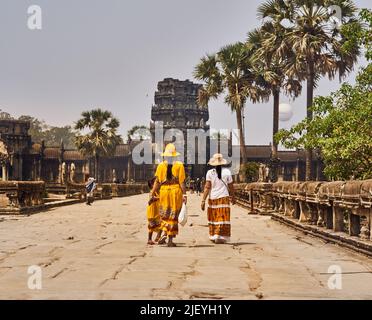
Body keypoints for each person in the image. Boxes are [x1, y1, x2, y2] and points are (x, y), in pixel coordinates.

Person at [149, 143, 187, 247]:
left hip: (164, 192)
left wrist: (152, 194)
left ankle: (164, 234)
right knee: (173, 216)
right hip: (175, 192)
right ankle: (170, 239)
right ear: (175, 155)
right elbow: (182, 182)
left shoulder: (161, 165)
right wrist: (185, 195)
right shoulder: (179, 165)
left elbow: (157, 181)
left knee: (164, 214)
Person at [201, 153, 235, 244]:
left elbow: (207, 187)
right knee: (223, 217)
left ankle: (214, 235)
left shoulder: (210, 173)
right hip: (224, 197)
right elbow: (231, 186)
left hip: (213, 198)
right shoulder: (227, 172)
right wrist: (233, 197)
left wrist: (203, 200)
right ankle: (220, 236)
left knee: (214, 217)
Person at [146, 177, 163, 245]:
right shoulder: (152, 192)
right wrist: (158, 198)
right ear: (153, 185)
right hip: (152, 213)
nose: (158, 185)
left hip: (157, 212)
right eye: (157, 183)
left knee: (161, 225)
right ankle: (149, 239)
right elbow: (151, 200)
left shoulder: (158, 192)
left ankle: (158, 237)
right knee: (151, 227)